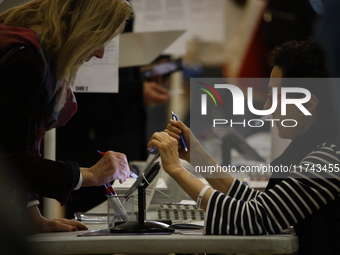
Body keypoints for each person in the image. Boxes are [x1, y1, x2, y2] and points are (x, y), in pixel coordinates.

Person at [148, 38, 340, 255]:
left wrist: (175, 169)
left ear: (309, 104)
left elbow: (253, 217)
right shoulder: (316, 143)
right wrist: (197, 155)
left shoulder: (330, 157)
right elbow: (265, 204)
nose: (267, 108)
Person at [0, 0, 132, 234]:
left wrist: (33, 218)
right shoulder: (23, 61)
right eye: (100, 40)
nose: (101, 54)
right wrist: (92, 175)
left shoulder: (33, 56)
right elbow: (12, 165)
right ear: (76, 26)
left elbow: (22, 143)